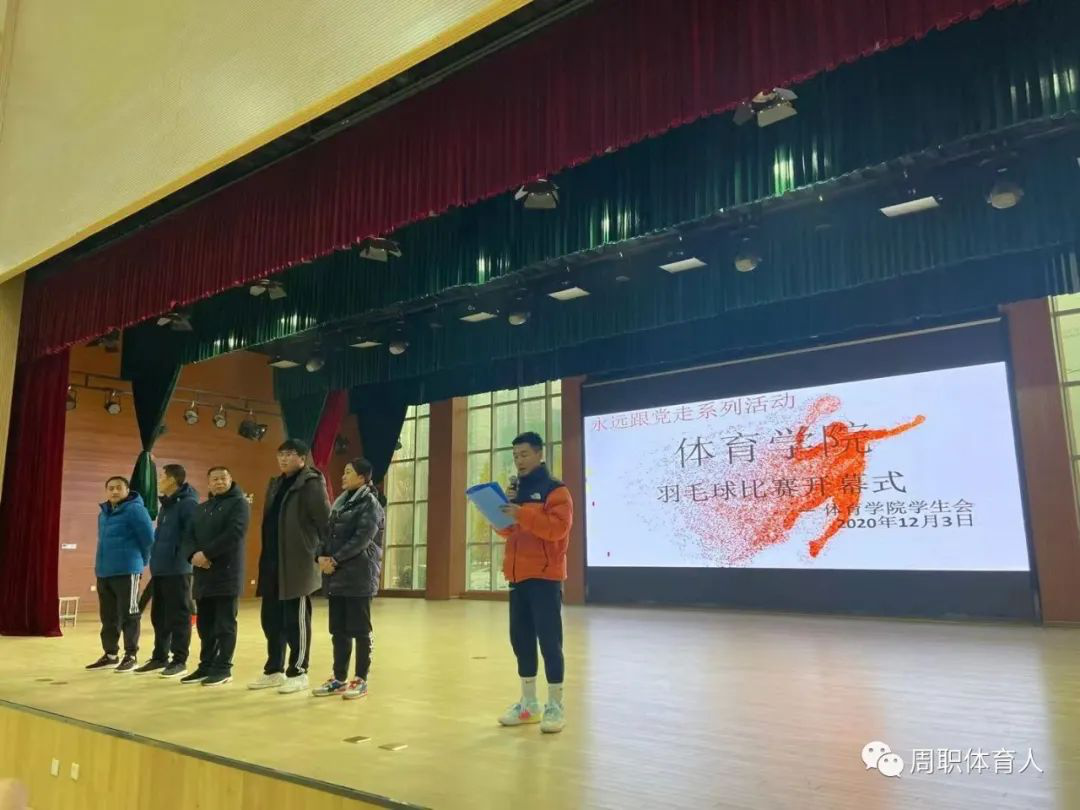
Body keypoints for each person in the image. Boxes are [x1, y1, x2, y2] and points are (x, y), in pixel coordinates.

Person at [495, 432, 573, 734]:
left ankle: (555, 705)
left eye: (524, 454)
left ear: (540, 454)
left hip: (545, 576)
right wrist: (499, 514)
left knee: (550, 643)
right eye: (515, 455)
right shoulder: (516, 492)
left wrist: (522, 513)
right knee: (521, 641)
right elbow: (508, 532)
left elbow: (556, 530)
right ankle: (529, 705)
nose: (519, 460)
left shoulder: (556, 490)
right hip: (517, 577)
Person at [249, 439, 330, 694]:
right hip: (272, 560)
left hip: (298, 561)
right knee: (271, 619)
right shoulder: (276, 483)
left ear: (302, 458)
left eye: (290, 454)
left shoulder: (311, 483)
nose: (283, 459)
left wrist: (323, 553)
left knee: (296, 620)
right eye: (281, 454)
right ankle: (274, 670)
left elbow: (325, 522)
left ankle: (299, 671)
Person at [312, 458, 384, 700]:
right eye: (343, 471)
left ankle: (361, 679)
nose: (343, 476)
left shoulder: (370, 504)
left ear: (362, 478)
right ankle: (339, 678)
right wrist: (320, 556)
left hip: (359, 577)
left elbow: (361, 539)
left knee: (360, 630)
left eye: (348, 472)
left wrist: (334, 559)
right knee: (339, 631)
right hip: (337, 576)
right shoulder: (340, 504)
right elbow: (326, 535)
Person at [180, 466, 250, 687]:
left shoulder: (239, 504)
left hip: (226, 573)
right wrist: (193, 555)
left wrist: (207, 554)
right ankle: (206, 665)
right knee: (205, 625)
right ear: (208, 483)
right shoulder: (202, 508)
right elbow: (188, 536)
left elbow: (234, 533)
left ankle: (223, 668)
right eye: (214, 479)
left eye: (223, 478)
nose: (219, 482)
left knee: (224, 624)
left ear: (230, 480)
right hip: (203, 575)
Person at [135, 464, 199, 677]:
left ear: (172, 479)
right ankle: (159, 657)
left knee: (179, 617)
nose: (159, 480)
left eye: (161, 476)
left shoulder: (188, 504)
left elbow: (192, 535)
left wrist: (181, 557)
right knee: (159, 617)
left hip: (178, 569)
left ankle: (179, 660)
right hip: (161, 569)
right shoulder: (166, 506)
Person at [86, 476, 154, 673]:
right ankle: (110, 655)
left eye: (118, 488)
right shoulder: (103, 514)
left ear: (127, 490)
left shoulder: (135, 510)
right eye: (111, 488)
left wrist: (140, 564)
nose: (114, 491)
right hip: (104, 571)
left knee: (129, 614)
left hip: (127, 571)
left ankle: (131, 656)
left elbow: (148, 540)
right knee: (108, 616)